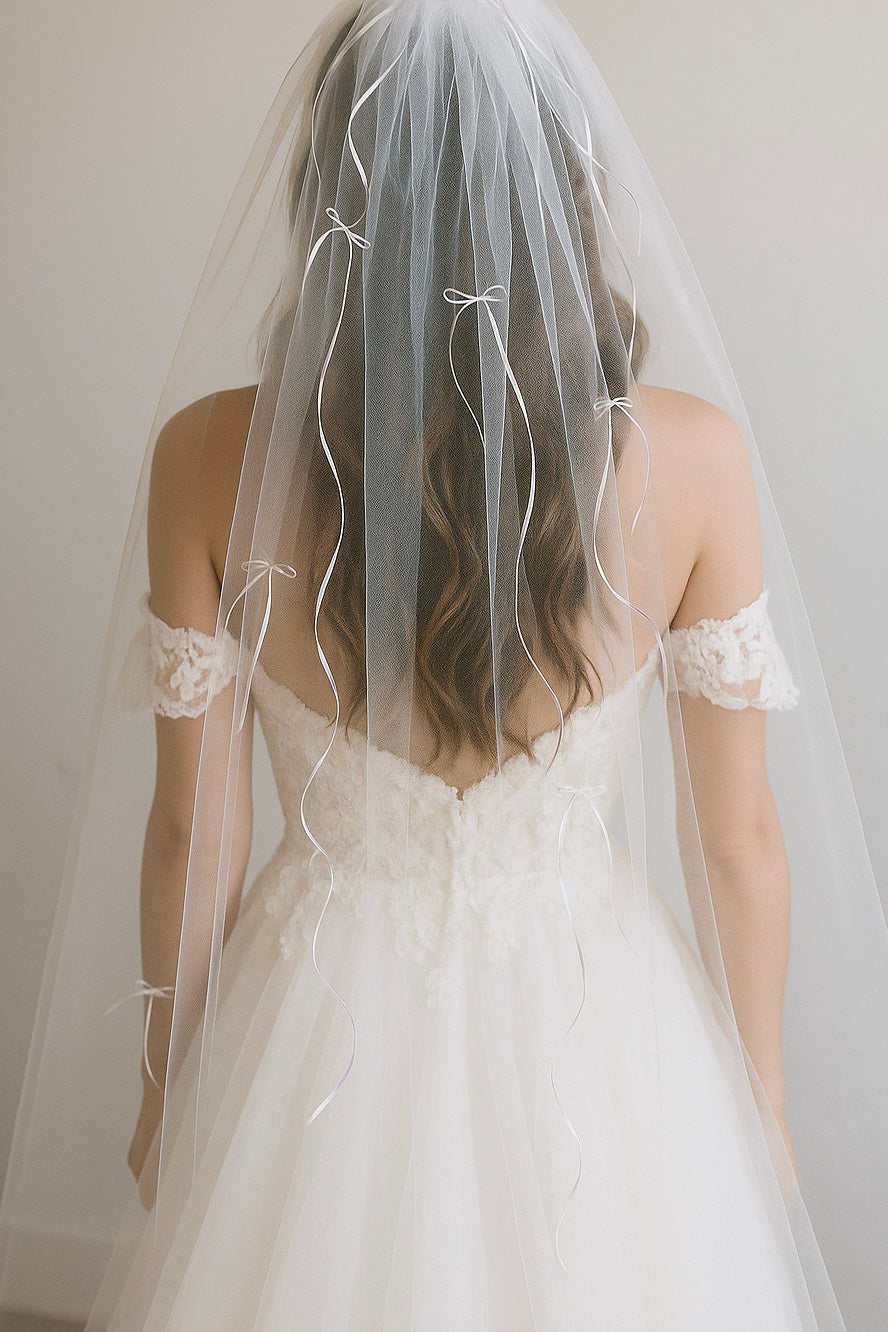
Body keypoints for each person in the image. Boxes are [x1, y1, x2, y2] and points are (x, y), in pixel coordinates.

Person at [2, 0, 887, 1327]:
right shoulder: (694, 459)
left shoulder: (209, 457)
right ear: (566, 188)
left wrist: (164, 1081)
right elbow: (740, 836)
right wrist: (754, 1095)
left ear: (329, 192)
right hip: (594, 1001)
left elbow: (196, 822)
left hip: (313, 1011)